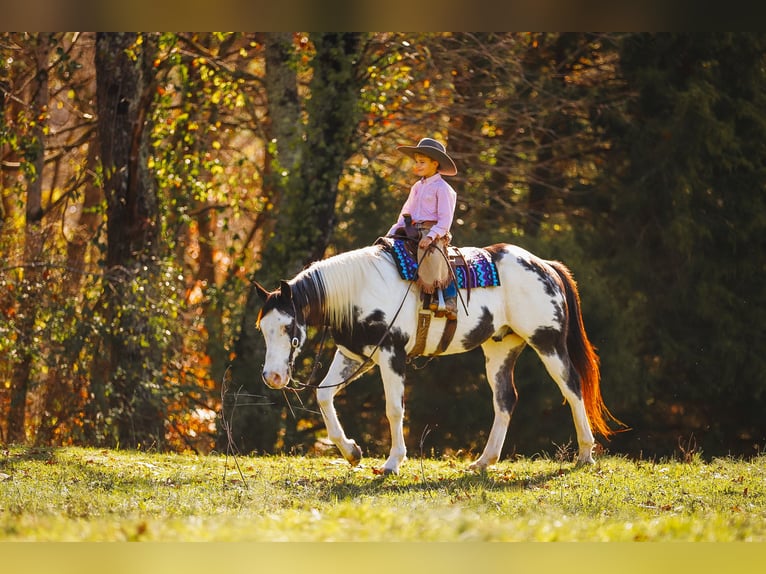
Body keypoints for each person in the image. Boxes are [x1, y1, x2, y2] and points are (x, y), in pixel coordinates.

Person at [387, 137, 459, 319]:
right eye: (416, 162)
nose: (417, 166)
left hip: (432, 230)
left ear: (435, 164)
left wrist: (432, 236)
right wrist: (393, 231)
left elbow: (445, 220)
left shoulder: (443, 189)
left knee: (435, 256)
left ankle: (448, 299)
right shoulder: (417, 187)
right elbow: (406, 212)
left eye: (422, 162)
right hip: (412, 229)